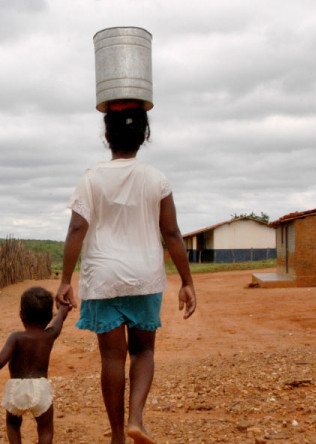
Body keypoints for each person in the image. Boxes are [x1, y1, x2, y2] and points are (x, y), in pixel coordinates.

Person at [55, 99, 197, 444]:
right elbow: (173, 233)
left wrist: (65, 279)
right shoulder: (157, 179)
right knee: (144, 351)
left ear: (107, 135)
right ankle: (136, 420)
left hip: (103, 278)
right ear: (144, 135)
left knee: (112, 357)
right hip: (145, 276)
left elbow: (76, 230)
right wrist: (187, 281)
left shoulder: (91, 178)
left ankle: (118, 435)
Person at [0, 286, 71, 444]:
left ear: (21, 315)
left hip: (16, 388)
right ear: (48, 316)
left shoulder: (16, 337)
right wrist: (64, 307)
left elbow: (0, 360)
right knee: (45, 428)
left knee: (13, 424)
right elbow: (59, 321)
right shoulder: (49, 336)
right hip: (41, 388)